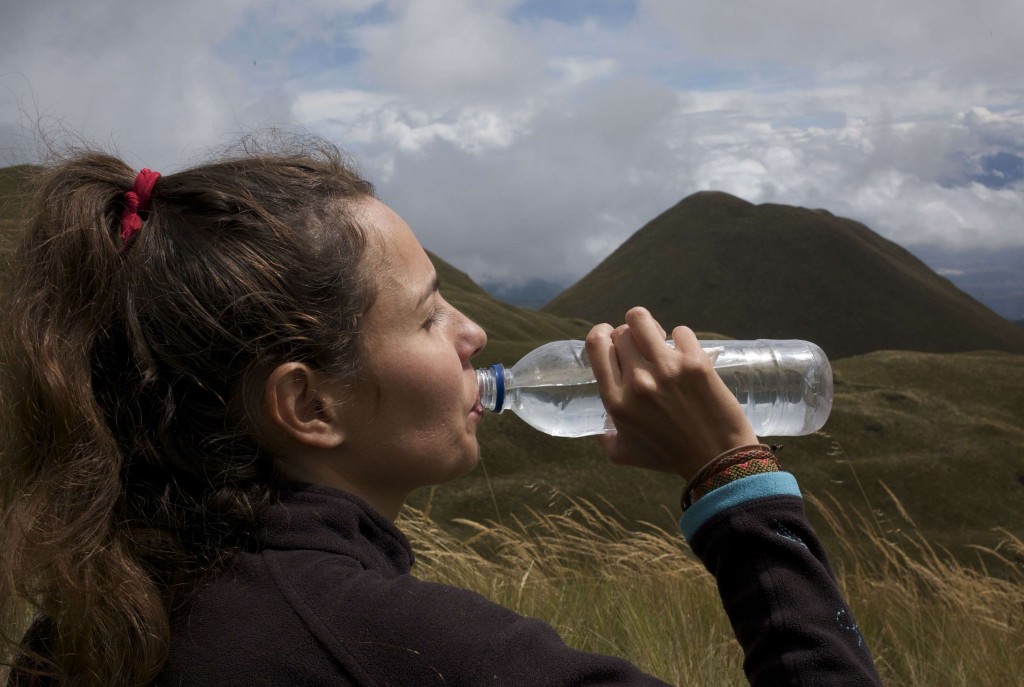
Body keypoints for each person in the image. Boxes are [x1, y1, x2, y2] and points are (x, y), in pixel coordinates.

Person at [0, 136, 883, 686]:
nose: (474, 330)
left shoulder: (91, 624)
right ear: (307, 403)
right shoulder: (414, 648)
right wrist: (738, 480)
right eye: (427, 313)